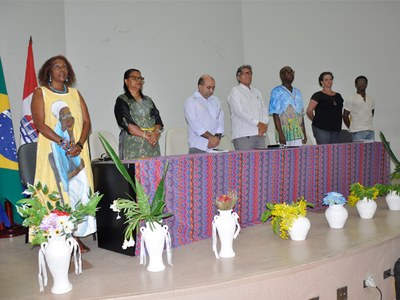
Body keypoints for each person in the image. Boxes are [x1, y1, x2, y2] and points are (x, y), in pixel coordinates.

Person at [31, 55, 94, 252]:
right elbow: (40, 124)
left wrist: (80, 144)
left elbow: (86, 122)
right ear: (48, 71)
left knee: (78, 191)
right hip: (53, 151)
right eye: (57, 66)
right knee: (57, 191)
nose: (62, 70)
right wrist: (63, 143)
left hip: (78, 152)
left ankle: (74, 234)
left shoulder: (75, 93)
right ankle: (55, 233)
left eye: (65, 67)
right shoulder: (40, 93)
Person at [114, 69, 164, 159]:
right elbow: (127, 123)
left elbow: (158, 119)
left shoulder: (148, 100)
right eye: (134, 78)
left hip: (152, 144)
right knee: (134, 173)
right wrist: (146, 135)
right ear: (126, 81)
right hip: (132, 146)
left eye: (140, 78)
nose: (139, 80)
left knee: (154, 171)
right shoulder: (122, 100)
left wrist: (156, 133)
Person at [228, 65, 269, 150]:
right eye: (245, 73)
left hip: (260, 134)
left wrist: (264, 124)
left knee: (262, 163)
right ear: (238, 77)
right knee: (245, 163)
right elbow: (239, 111)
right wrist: (258, 123)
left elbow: (264, 110)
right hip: (244, 135)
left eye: (249, 73)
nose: (248, 75)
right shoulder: (235, 91)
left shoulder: (257, 92)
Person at [184, 75, 224, 154]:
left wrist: (216, 139)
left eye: (213, 87)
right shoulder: (191, 101)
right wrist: (210, 138)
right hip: (197, 146)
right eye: (208, 87)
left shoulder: (215, 100)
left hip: (213, 147)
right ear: (200, 87)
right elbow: (194, 123)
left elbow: (220, 120)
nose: (211, 90)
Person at [268, 66, 307, 146]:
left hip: (297, 133)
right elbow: (275, 114)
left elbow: (301, 114)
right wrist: (280, 134)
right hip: (284, 133)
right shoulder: (276, 91)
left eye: (292, 72)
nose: (291, 74)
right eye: (288, 72)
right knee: (285, 157)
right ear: (282, 75)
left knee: (298, 157)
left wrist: (304, 133)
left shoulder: (298, 92)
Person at [306, 72, 344, 144]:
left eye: (330, 79)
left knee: (335, 152)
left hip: (336, 129)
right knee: (324, 152)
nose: (329, 81)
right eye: (326, 80)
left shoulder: (338, 96)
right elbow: (309, 111)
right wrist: (316, 120)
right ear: (321, 82)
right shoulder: (318, 95)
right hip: (321, 129)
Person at [343, 76, 375, 142]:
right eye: (360, 82)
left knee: (371, 152)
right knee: (358, 152)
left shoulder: (371, 98)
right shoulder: (351, 98)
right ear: (356, 85)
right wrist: (351, 128)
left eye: (364, 83)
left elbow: (371, 113)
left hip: (370, 131)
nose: (362, 84)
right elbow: (345, 116)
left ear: (367, 84)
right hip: (357, 132)